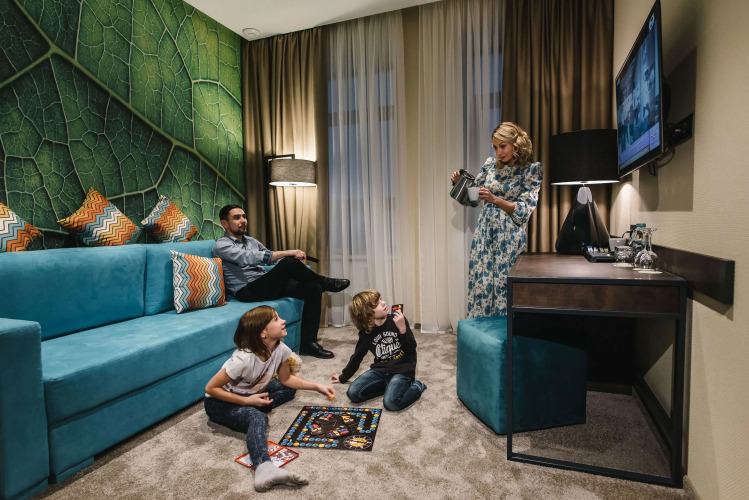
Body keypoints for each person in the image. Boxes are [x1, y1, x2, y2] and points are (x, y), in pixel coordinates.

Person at [204, 306, 335, 492]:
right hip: (219, 402)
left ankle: (254, 407)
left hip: (250, 392)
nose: (283, 320)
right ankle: (264, 468)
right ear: (263, 333)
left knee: (289, 389)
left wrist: (317, 386)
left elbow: (286, 380)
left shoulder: (280, 348)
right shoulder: (243, 358)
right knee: (258, 417)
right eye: (275, 319)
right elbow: (210, 388)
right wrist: (248, 402)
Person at [213, 204, 350, 358]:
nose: (243, 220)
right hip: (247, 291)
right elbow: (248, 258)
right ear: (224, 223)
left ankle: (308, 345)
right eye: (237, 218)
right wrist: (287, 254)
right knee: (289, 262)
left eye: (244, 216)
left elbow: (271, 259)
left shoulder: (251, 241)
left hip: (264, 284)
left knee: (313, 287)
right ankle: (325, 282)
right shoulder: (221, 245)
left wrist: (292, 258)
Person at [451, 122, 542, 317]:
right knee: (481, 282)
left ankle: (505, 331)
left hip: (509, 237)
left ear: (516, 144)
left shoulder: (531, 170)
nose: (498, 152)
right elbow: (473, 199)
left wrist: (495, 199)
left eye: (503, 146)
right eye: (495, 147)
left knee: (504, 284)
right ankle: (481, 330)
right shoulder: (490, 165)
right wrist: (460, 183)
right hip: (485, 234)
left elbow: (524, 210)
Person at [332, 290, 426, 411]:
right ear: (367, 314)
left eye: (380, 299)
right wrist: (344, 376)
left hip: (402, 370)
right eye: (377, 304)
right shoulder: (366, 333)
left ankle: (417, 386)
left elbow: (411, 348)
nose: (383, 303)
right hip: (380, 370)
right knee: (353, 393)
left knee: (391, 403)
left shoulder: (398, 321)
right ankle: (388, 388)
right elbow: (357, 356)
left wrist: (403, 329)